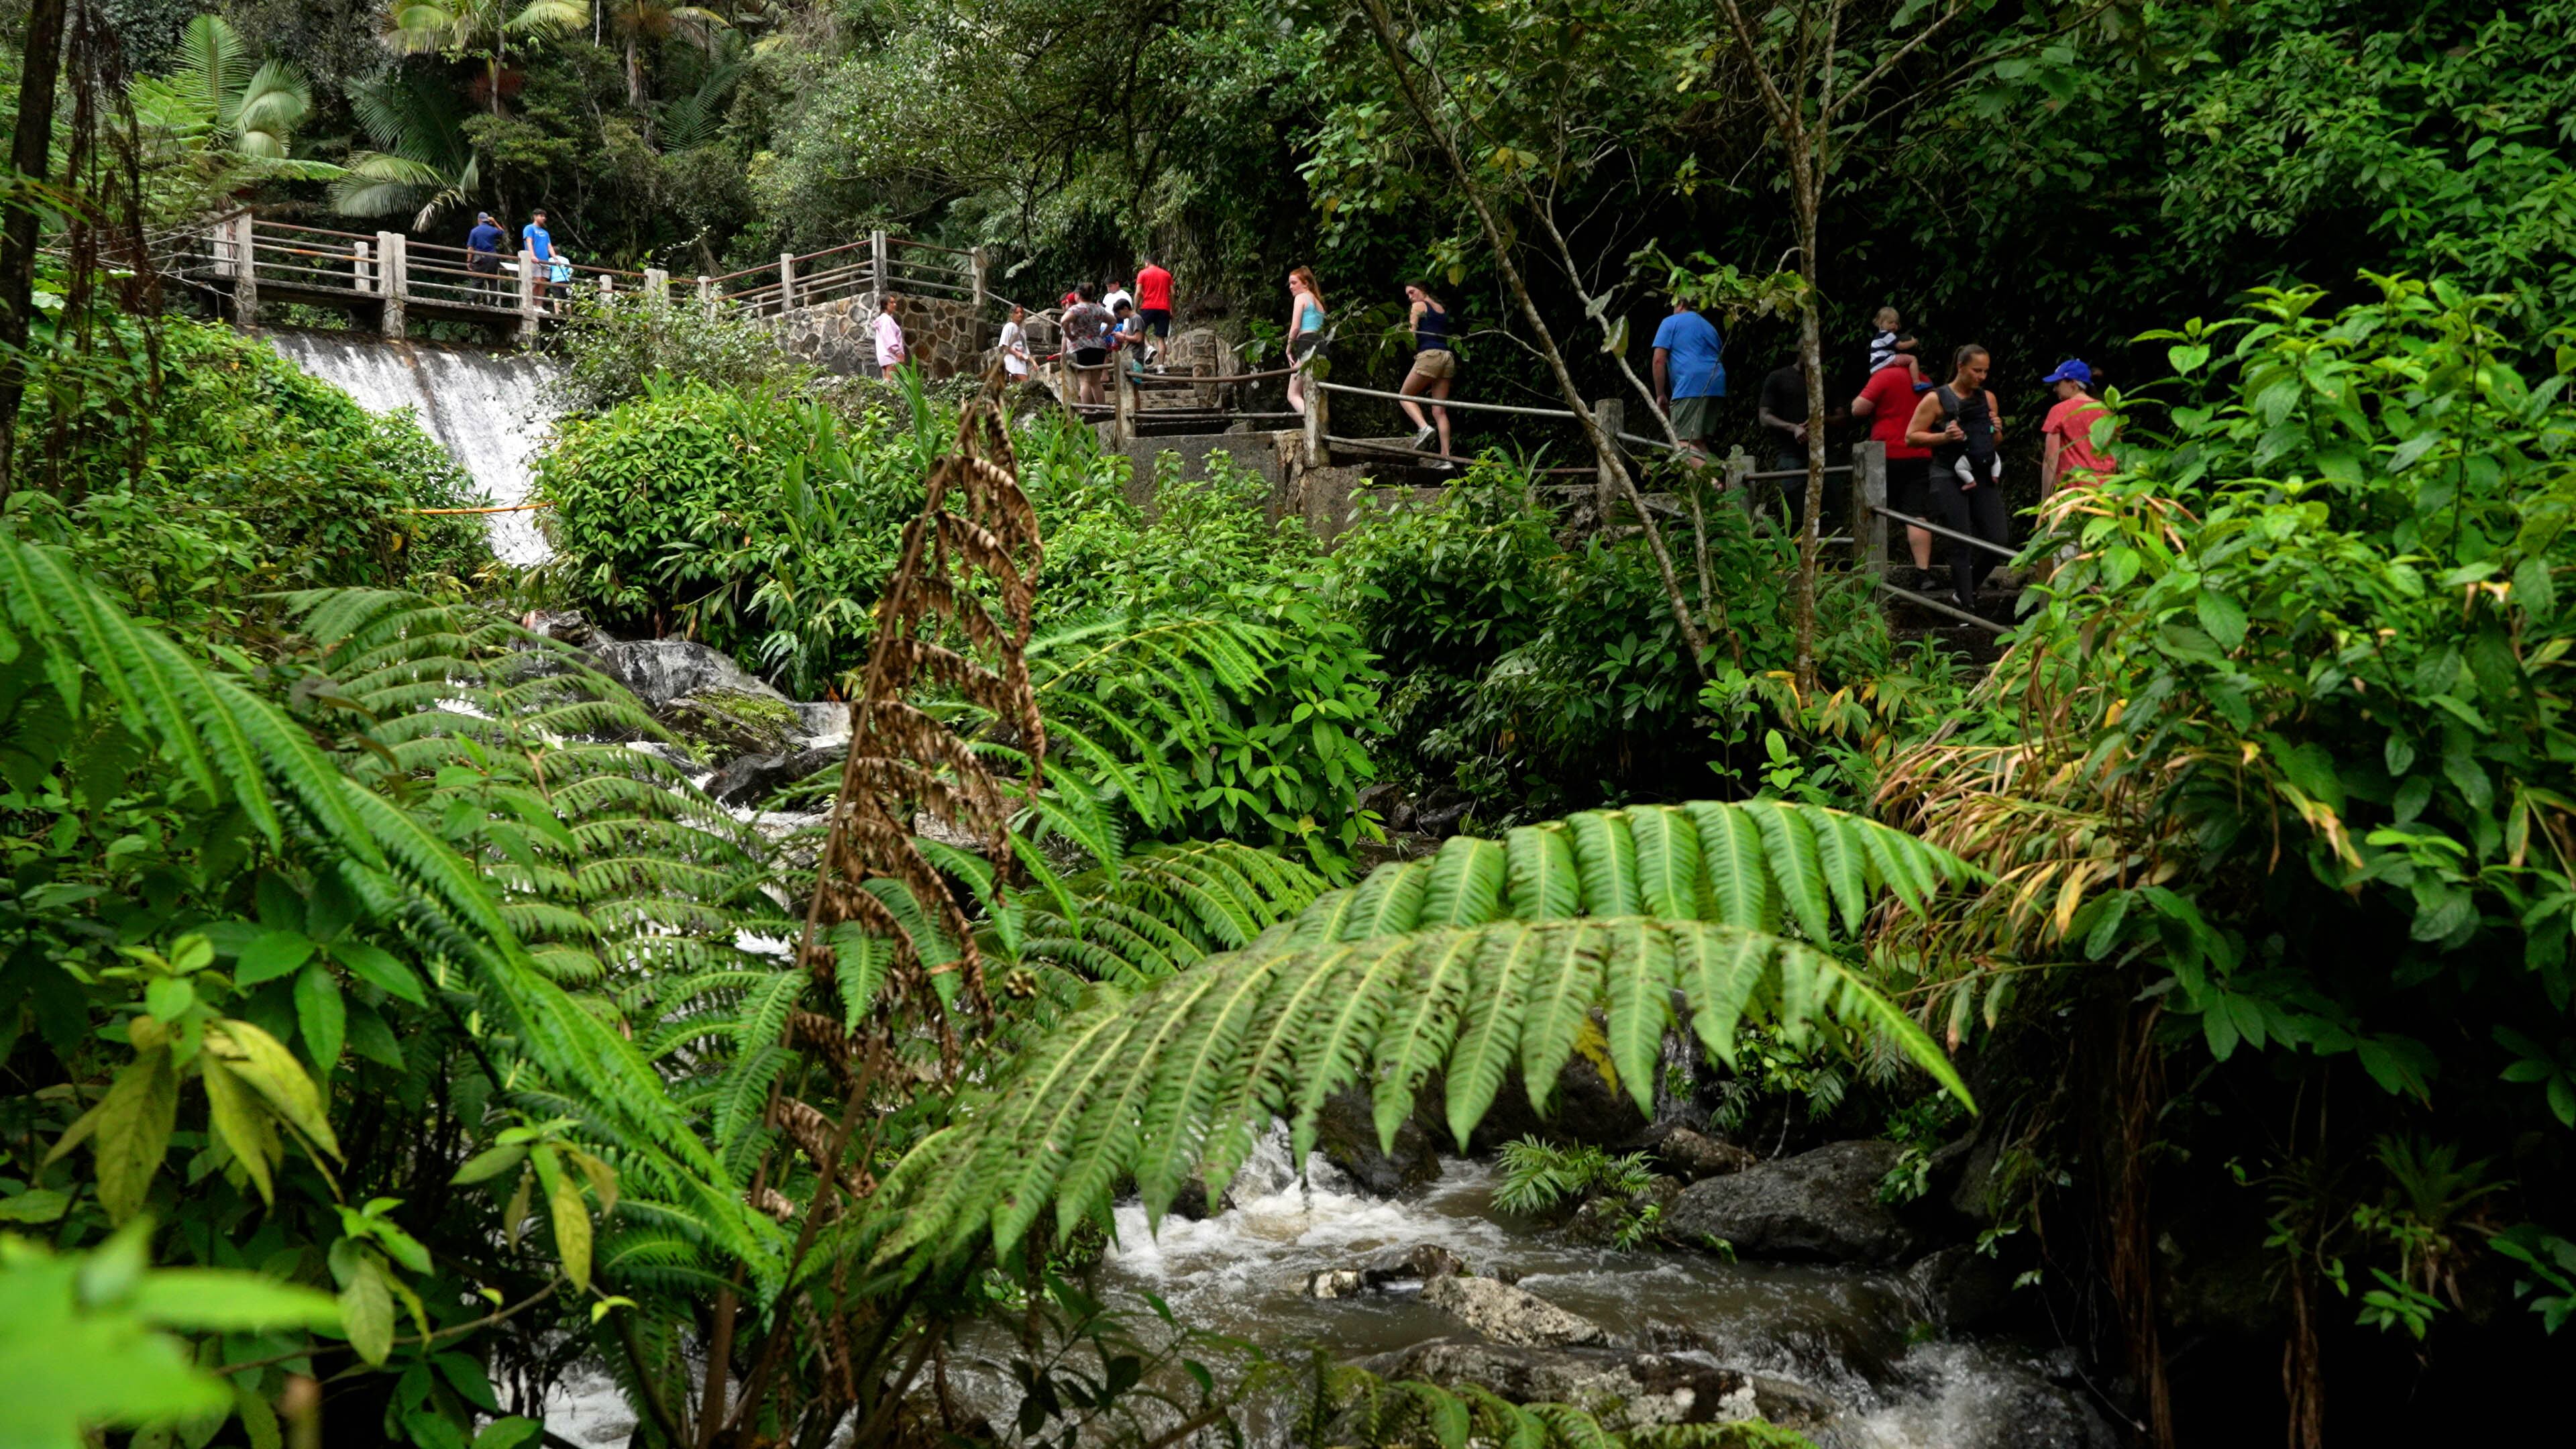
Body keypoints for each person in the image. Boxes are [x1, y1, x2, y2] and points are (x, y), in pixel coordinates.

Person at [1905, 344, 2010, 614]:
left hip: (1980, 470)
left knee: (1998, 538)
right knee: (1960, 539)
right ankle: (1966, 605)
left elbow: (1994, 441)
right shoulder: (1936, 399)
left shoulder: (1988, 398)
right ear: (1961, 367)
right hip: (1947, 473)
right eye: (1977, 370)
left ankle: (1968, 589)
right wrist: (1943, 437)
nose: (1982, 376)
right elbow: (1911, 436)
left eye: (1986, 371)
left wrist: (1997, 430)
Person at [1850, 345, 1937, 590]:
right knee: (1917, 511)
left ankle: (1870, 570)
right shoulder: (1923, 380)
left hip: (1885, 453)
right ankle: (1923, 573)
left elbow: (1859, 409)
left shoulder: (1883, 377)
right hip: (1920, 451)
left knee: (1874, 509)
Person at [1760, 358, 1843, 532]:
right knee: (1794, 509)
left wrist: (1821, 421)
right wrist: (1793, 428)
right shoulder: (1779, 378)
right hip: (1791, 454)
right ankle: (1794, 555)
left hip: (1824, 453)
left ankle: (1823, 556)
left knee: (1829, 511)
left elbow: (1842, 417)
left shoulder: (1827, 381)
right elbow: (1765, 416)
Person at [1650, 297, 1725, 460]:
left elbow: (1658, 360)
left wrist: (1660, 394)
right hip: (1717, 384)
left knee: (1681, 442)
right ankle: (1725, 479)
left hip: (1690, 385)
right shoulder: (1710, 327)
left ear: (1681, 303)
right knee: (1697, 442)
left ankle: (1713, 484)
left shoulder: (1671, 322)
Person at [2038, 358, 2117, 496]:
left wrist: (2045, 500)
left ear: (2073, 384)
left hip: (2074, 494)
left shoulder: (2059, 411)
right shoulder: (2106, 410)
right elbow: (2117, 453)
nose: (2055, 389)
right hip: (2108, 491)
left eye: (2058, 383)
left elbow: (2050, 458)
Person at [1397, 281, 1456, 464]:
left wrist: (1409, 344)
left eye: (1412, 292)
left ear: (1422, 290)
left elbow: (1412, 334)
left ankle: (1424, 428)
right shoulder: (1439, 308)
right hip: (1447, 357)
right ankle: (1446, 458)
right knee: (1439, 410)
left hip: (1430, 355)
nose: (1410, 297)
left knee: (1405, 396)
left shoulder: (1418, 306)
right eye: (1408, 295)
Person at [1060, 283, 1114, 405]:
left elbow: (1064, 320)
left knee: (1084, 380)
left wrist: (1069, 335)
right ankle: (1102, 408)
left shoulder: (1076, 309)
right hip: (1098, 347)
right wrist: (1102, 334)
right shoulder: (1098, 309)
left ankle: (1086, 409)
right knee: (1096, 381)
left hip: (1080, 347)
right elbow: (1113, 321)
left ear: (1078, 295)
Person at [1285, 266, 1328, 416]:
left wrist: (1288, 348)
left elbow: (1295, 327)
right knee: (1313, 391)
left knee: (1293, 394)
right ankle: (1318, 425)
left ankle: (1313, 423)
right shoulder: (1319, 304)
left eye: (1294, 283)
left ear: (1306, 284)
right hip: (1321, 346)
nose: (1291, 287)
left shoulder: (1301, 298)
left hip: (1307, 344)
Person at [1134, 256, 1174, 360]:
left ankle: (1149, 347)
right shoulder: (1167, 275)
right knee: (1161, 339)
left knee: (1138, 330)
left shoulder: (1143, 273)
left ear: (1147, 263)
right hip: (1164, 309)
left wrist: (1135, 309)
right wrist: (1172, 309)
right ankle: (1161, 367)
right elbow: (1173, 293)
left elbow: (1138, 292)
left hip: (1148, 307)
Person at [466, 211, 505, 301]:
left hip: (481, 258)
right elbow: (502, 232)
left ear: (479, 220)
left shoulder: (475, 231)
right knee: (492, 280)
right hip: (493, 258)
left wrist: (469, 261)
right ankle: (493, 302)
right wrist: (495, 222)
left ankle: (471, 299)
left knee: (478, 280)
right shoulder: (493, 230)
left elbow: (471, 248)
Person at [519, 210, 554, 300]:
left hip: (545, 260)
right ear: (535, 216)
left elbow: (549, 246)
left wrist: (555, 258)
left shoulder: (545, 233)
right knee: (536, 281)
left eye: (544, 217)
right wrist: (532, 256)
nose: (544, 218)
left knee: (543, 284)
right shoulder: (529, 228)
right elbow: (529, 242)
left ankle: (539, 306)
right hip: (535, 260)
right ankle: (530, 302)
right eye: (541, 216)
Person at [874, 292, 908, 374]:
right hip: (891, 356)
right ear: (885, 305)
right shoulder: (886, 320)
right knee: (892, 383)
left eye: (895, 302)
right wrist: (898, 353)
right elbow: (890, 338)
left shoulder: (883, 320)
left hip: (885, 356)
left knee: (887, 383)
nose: (895, 305)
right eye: (892, 303)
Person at [999, 303, 1032, 384]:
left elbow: (1025, 349)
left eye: (1021, 312)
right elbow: (1004, 345)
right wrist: (1016, 353)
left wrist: (1033, 362)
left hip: (1021, 364)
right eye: (1017, 313)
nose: (1020, 314)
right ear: (1012, 315)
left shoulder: (1023, 331)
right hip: (1012, 363)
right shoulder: (1009, 327)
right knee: (1025, 385)